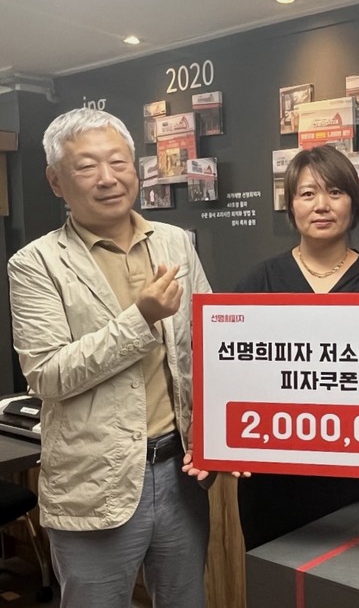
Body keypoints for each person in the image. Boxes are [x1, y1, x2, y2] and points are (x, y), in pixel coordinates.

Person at [7, 109, 212, 608]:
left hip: (180, 472)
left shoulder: (174, 242)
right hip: (92, 481)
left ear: (135, 169)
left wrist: (218, 437)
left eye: (118, 162)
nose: (107, 178)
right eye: (86, 166)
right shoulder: (35, 263)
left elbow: (206, 344)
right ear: (56, 181)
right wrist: (141, 319)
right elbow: (48, 374)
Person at [233, 144, 359, 549]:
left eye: (335, 192)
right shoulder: (259, 281)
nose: (322, 205)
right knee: (275, 576)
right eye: (307, 193)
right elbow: (232, 374)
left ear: (354, 203)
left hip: (354, 473)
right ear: (291, 205)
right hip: (273, 476)